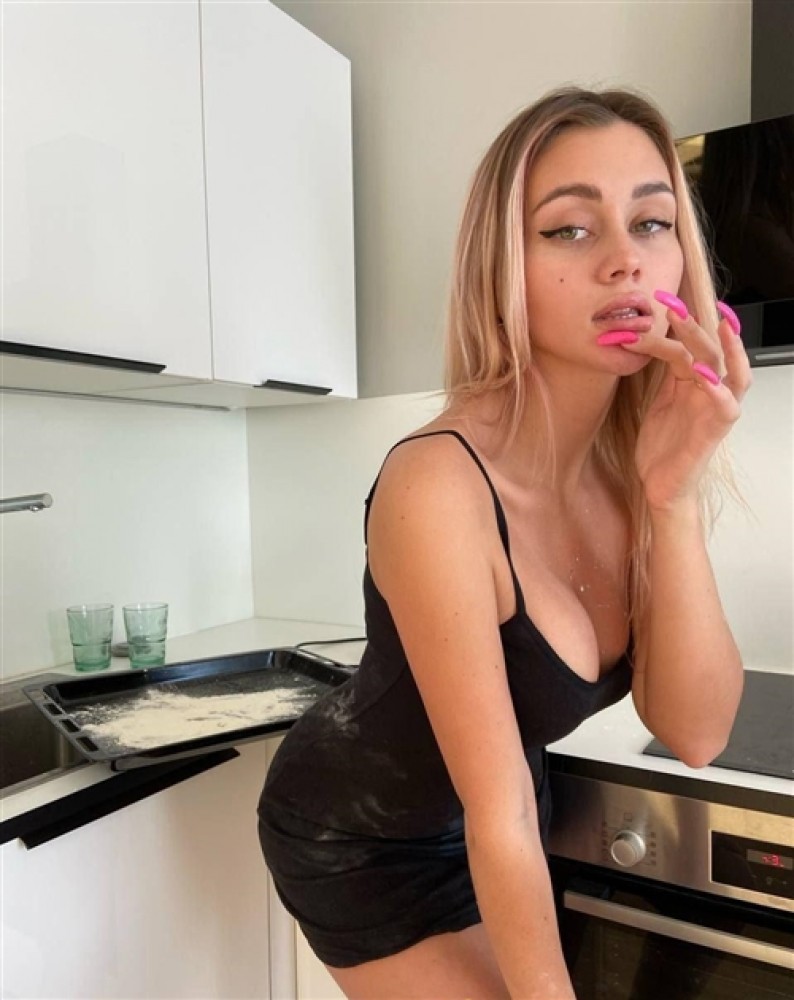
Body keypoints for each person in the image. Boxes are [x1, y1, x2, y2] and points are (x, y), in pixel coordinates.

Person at [258, 86, 751, 999]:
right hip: (366, 838)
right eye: (569, 229)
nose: (624, 261)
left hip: (509, 813)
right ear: (503, 267)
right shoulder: (439, 487)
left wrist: (673, 500)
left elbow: (695, 732)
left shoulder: (636, 464)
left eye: (651, 222)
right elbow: (499, 815)